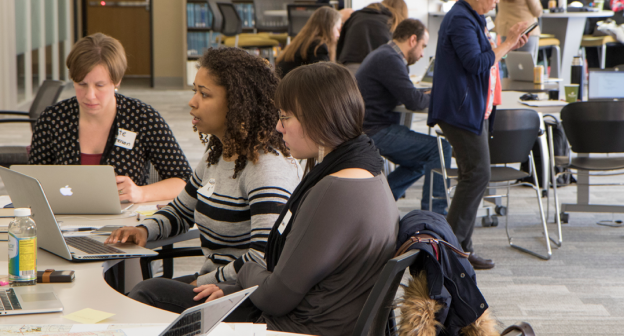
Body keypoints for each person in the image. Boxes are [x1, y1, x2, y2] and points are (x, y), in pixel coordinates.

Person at [189, 63, 398, 335]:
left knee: (154, 294)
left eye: (285, 117)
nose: (278, 127)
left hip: (296, 328)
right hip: (325, 319)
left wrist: (245, 271)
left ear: (319, 118)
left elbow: (276, 298)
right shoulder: (370, 170)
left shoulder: (333, 190)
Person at [109, 48, 302, 298]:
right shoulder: (219, 153)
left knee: (146, 292)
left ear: (237, 103)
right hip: (213, 284)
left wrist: (204, 281)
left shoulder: (267, 167)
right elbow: (180, 212)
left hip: (239, 294)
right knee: (139, 294)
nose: (193, 102)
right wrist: (144, 230)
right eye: (195, 91)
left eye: (204, 94)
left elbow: (263, 257)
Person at [427, 0, 529, 270]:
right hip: (460, 110)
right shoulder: (461, 19)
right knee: (477, 174)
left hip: (472, 108)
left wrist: (507, 44)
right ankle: (452, 251)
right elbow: (475, 63)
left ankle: (460, 249)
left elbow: (484, 58)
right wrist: (507, 43)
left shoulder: (472, 17)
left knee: (474, 174)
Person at [29, 33, 191, 203]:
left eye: (100, 85)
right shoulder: (52, 119)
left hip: (126, 217)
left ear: (117, 81)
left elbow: (184, 180)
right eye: (81, 84)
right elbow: (31, 183)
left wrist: (141, 193)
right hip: (64, 216)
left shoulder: (141, 118)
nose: (90, 95)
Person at [355, 18, 452, 214]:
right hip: (375, 131)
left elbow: (408, 95)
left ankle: (378, 202)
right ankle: (435, 214)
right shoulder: (389, 59)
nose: (423, 54)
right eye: (423, 46)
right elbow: (414, 102)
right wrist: (438, 95)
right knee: (440, 148)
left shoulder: (385, 54)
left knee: (420, 161)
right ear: (412, 40)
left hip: (370, 127)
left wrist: (423, 95)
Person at [337, 0, 409, 75]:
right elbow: (397, 56)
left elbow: (340, 45)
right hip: (372, 70)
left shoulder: (356, 16)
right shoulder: (390, 23)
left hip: (347, 68)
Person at [495, 0, 543, 75]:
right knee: (528, 69)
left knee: (509, 67)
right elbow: (537, 12)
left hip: (505, 30)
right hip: (526, 31)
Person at [275, 6, 342, 77]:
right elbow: (323, 78)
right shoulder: (318, 46)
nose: (338, 34)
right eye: (337, 28)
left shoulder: (302, 41)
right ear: (329, 27)